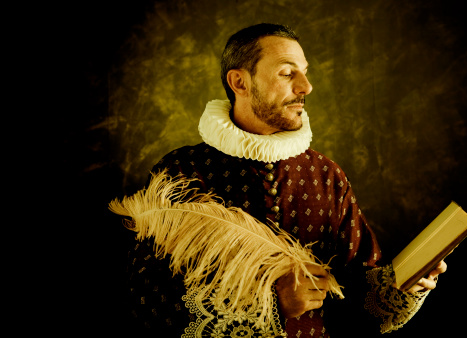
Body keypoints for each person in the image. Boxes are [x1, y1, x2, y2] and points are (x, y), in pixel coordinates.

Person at [121, 23, 447, 337]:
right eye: (287, 73)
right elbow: (144, 303)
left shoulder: (326, 174)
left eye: (306, 72)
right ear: (240, 82)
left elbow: (360, 306)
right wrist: (270, 306)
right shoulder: (181, 173)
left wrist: (407, 284)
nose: (306, 86)